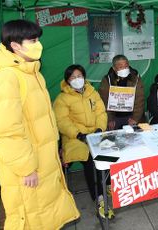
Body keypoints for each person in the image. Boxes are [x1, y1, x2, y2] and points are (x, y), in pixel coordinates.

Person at [0, 19, 79, 229]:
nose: (39, 44)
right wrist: (26, 168)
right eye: (33, 40)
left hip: (43, 162)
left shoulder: (32, 73)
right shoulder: (7, 78)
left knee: (46, 217)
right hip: (28, 170)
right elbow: (5, 130)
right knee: (31, 219)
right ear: (16, 45)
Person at [53, 64, 114, 219]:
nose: (77, 79)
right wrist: (79, 134)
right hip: (74, 138)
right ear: (67, 80)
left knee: (110, 150)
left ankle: (108, 184)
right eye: (73, 77)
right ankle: (100, 199)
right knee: (90, 158)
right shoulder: (62, 99)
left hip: (96, 133)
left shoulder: (92, 93)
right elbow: (62, 121)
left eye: (79, 76)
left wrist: (100, 129)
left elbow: (101, 112)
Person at [99, 54, 145, 130]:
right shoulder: (107, 80)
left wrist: (135, 118)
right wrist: (109, 119)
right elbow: (104, 100)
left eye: (126, 66)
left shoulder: (135, 77)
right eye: (120, 67)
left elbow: (139, 99)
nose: (124, 69)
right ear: (114, 68)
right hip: (115, 117)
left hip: (132, 116)